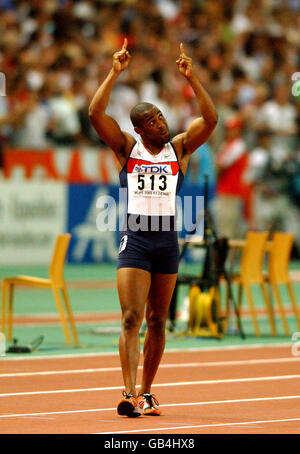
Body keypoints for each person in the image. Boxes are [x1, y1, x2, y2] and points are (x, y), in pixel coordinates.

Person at [89, 38, 218, 418]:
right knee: (131, 317)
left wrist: (193, 79)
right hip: (136, 238)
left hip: (167, 239)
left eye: (161, 117)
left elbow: (210, 120)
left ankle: (147, 392)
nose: (161, 124)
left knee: (158, 319)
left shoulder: (180, 148)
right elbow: (96, 115)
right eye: (152, 122)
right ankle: (127, 393)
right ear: (139, 128)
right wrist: (114, 73)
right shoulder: (128, 149)